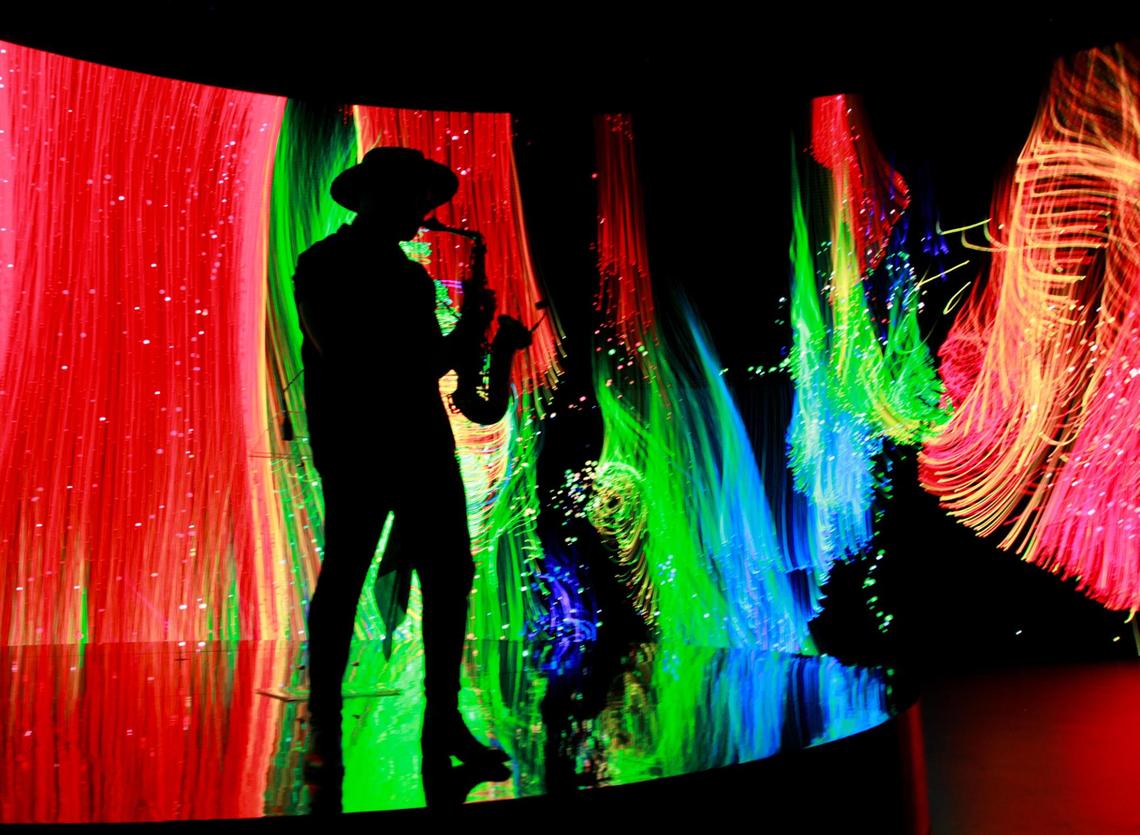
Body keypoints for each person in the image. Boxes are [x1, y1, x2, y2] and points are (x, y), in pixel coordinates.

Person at [293, 147, 511, 783]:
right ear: (375, 198)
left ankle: (442, 722)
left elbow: (424, 366)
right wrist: (464, 336)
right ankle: (325, 733)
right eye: (414, 199)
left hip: (420, 441)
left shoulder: (411, 277)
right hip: (360, 444)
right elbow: (357, 362)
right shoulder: (324, 265)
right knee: (345, 578)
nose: (426, 213)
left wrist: (467, 339)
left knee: (451, 576)